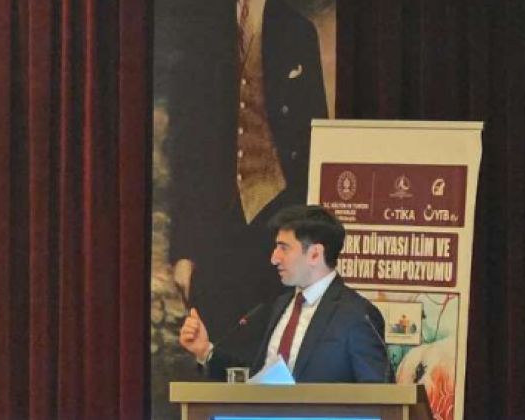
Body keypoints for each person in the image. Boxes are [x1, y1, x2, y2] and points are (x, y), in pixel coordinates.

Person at [165, 0, 330, 348]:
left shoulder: (297, 30)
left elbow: (316, 142)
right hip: (216, 224)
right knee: (216, 350)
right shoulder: (199, 29)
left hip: (280, 211)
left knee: (277, 350)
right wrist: (184, 249)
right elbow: (184, 149)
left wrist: (312, 242)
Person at [179, 205, 390, 383]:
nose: (274, 258)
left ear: (315, 254)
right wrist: (205, 350)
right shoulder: (280, 305)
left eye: (284, 248)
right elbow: (259, 379)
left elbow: (378, 398)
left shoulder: (357, 315)